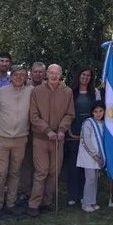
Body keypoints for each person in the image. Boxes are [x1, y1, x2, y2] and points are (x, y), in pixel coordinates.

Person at [27, 64, 74, 216]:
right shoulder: (37, 91)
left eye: (57, 73)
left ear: (61, 75)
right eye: (51, 73)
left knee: (54, 172)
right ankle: (34, 204)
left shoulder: (67, 92)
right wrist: (47, 130)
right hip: (41, 138)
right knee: (41, 171)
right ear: (47, 74)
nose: (54, 76)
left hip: (58, 139)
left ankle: (47, 202)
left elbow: (70, 114)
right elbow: (33, 116)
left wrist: (61, 130)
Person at [0, 66, 32, 218]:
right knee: (1, 173)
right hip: (2, 137)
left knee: (15, 172)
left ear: (26, 77)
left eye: (22, 75)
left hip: (21, 138)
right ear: (10, 76)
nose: (18, 77)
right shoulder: (1, 91)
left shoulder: (31, 91)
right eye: (15, 74)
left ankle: (11, 203)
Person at [66, 68, 101, 206]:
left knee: (86, 166)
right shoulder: (70, 92)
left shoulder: (95, 92)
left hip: (89, 134)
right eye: (83, 74)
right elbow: (66, 111)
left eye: (88, 75)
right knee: (73, 165)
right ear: (78, 76)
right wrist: (68, 130)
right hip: (73, 133)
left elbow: (98, 111)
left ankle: (83, 194)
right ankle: (72, 195)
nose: (85, 77)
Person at [16, 61, 46, 207]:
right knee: (25, 162)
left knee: (39, 164)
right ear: (31, 73)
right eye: (35, 71)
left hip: (41, 131)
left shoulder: (49, 87)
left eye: (41, 72)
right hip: (25, 130)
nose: (38, 74)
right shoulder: (23, 86)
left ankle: (38, 192)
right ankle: (24, 192)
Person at [77, 101, 105, 212]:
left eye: (100, 111)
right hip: (89, 156)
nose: (98, 114)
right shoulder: (88, 123)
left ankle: (92, 201)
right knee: (90, 179)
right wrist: (94, 154)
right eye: (96, 111)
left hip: (98, 156)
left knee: (95, 179)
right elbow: (86, 140)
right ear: (92, 112)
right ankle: (86, 202)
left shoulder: (103, 123)